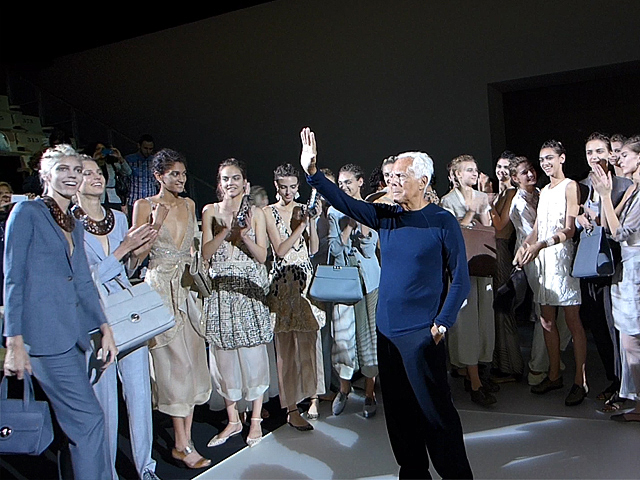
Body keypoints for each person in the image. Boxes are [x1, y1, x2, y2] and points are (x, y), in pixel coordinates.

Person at [301, 128, 473, 479]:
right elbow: (346, 203)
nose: (391, 182)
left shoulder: (442, 221)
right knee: (399, 415)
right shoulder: (388, 216)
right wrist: (313, 173)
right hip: (388, 334)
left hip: (422, 336)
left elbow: (460, 279)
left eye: (400, 177)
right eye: (390, 176)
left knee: (436, 415)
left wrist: (441, 324)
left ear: (422, 181)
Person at [3, 144, 116, 479]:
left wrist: (104, 327)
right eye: (63, 169)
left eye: (77, 170)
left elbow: (82, 281)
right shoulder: (27, 213)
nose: (72, 176)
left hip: (72, 336)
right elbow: (13, 279)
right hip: (43, 339)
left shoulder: (73, 223)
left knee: (75, 429)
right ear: (45, 174)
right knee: (89, 421)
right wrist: (14, 342)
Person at [74, 157, 160, 480]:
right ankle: (107, 472)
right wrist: (123, 249)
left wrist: (139, 251)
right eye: (87, 173)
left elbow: (127, 271)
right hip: (94, 318)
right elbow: (84, 279)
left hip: (127, 313)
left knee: (139, 397)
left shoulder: (120, 218)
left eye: (99, 172)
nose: (96, 177)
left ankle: (146, 468)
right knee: (105, 405)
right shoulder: (69, 225)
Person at [132, 148, 212, 469]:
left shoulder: (190, 204)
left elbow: (193, 247)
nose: (181, 179)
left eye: (183, 173)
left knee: (191, 363)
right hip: (160, 290)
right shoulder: (144, 205)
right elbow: (136, 257)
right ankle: (181, 443)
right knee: (175, 364)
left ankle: (185, 439)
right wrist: (155, 225)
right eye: (174, 174)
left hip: (187, 289)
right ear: (158, 176)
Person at [201, 158, 273, 448]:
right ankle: (233, 420)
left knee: (254, 357)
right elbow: (205, 254)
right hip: (221, 292)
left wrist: (243, 236)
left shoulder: (257, 214)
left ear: (245, 183)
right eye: (225, 179)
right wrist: (224, 231)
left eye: (235, 178)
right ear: (220, 184)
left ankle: (255, 420)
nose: (230, 183)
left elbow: (263, 256)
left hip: (248, 291)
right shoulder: (210, 211)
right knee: (224, 359)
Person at [516, 140, 588, 406]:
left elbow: (570, 229)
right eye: (542, 159)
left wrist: (541, 245)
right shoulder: (544, 190)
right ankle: (554, 374)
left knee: (572, 321)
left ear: (562, 158)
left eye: (549, 158)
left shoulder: (570, 186)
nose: (545, 163)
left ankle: (580, 381)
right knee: (546, 320)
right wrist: (525, 247)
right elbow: (537, 228)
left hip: (561, 259)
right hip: (543, 262)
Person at [264, 163, 326, 430]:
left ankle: (313, 397)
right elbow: (279, 250)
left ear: (298, 187)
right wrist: (300, 227)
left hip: (304, 280)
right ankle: (291, 408)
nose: (288, 192)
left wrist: (311, 221)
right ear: (276, 186)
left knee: (309, 344)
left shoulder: (303, 209)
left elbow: (313, 248)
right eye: (283, 187)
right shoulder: (268, 212)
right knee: (286, 350)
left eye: (292, 187)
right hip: (281, 283)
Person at [576, 133, 631, 408]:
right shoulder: (582, 186)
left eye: (599, 151)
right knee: (597, 323)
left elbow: (622, 226)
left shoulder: (625, 185)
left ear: (610, 154)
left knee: (615, 325)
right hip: (590, 261)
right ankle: (613, 378)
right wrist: (579, 218)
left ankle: (624, 384)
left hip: (616, 260)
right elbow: (573, 216)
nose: (594, 157)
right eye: (589, 152)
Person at [507, 157, 572, 386]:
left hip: (550, 254)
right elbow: (534, 233)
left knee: (560, 309)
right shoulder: (520, 202)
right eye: (524, 172)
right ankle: (538, 366)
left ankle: (551, 357)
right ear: (515, 178)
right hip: (533, 258)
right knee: (544, 311)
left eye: (531, 169)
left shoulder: (541, 193)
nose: (530, 174)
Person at [440, 154, 497, 407]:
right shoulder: (447, 201)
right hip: (461, 266)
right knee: (467, 322)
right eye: (468, 170)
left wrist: (482, 206)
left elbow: (488, 229)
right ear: (456, 174)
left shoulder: (481, 196)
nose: (474, 174)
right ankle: (474, 381)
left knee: (484, 320)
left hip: (482, 264)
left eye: (475, 169)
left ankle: (477, 373)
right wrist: (471, 210)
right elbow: (454, 234)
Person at [592, 134, 640, 422]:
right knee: (629, 339)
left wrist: (605, 197)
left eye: (624, 155)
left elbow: (619, 232)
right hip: (628, 268)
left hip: (636, 269)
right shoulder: (634, 189)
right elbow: (609, 222)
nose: (618, 159)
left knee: (632, 339)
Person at [328, 163, 381, 418]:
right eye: (340, 184)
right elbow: (335, 251)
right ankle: (344, 388)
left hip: (369, 282)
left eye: (348, 182)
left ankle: (370, 393)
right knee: (343, 339)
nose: (344, 187)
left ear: (360, 182)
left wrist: (362, 223)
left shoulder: (371, 209)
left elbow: (370, 251)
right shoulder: (333, 211)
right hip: (344, 282)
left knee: (370, 338)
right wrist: (348, 226)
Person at [488, 151, 524, 381]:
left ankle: (511, 366)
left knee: (502, 307)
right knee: (497, 308)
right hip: (495, 249)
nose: (501, 171)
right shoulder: (502, 193)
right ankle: (502, 363)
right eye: (499, 166)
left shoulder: (511, 193)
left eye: (506, 168)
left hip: (501, 250)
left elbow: (501, 226)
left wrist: (487, 202)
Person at [126, 134, 156, 211]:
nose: (148, 151)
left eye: (150, 149)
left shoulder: (155, 161)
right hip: (133, 200)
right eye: (145, 148)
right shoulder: (129, 159)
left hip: (151, 201)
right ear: (139, 146)